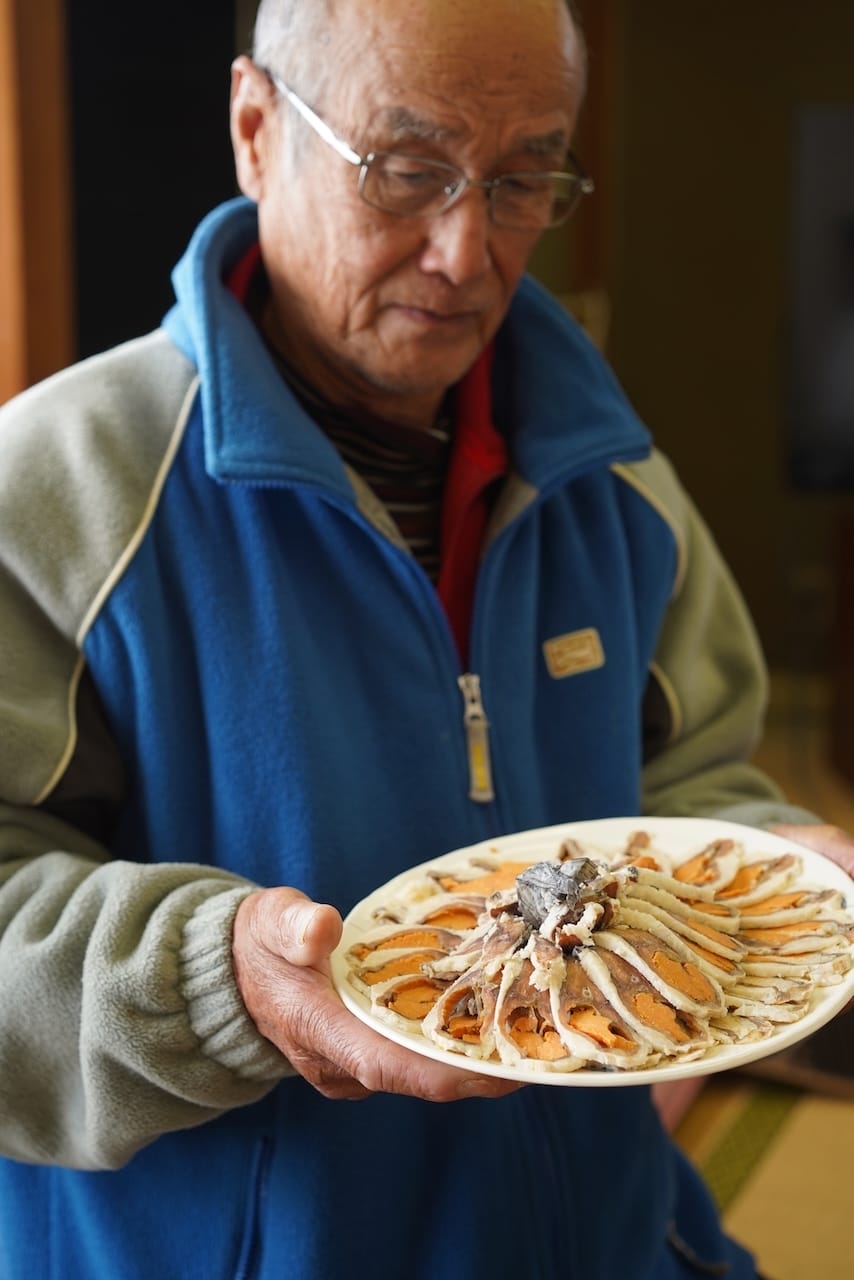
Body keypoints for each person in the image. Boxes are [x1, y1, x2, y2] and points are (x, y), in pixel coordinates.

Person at [0, 1, 851, 1276]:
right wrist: (211, 979)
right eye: (407, 170)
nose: (468, 250)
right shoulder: (61, 492)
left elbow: (688, 783)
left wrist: (790, 857)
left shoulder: (611, 482)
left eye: (522, 179)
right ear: (251, 128)